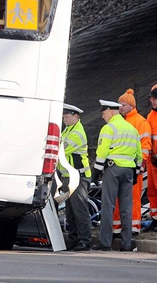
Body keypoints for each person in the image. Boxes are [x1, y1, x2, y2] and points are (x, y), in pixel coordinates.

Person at [91, 100, 142, 251]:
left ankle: (105, 242)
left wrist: (97, 171)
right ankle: (126, 244)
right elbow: (139, 154)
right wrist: (136, 171)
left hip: (113, 169)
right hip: (129, 171)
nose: (102, 116)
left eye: (104, 113)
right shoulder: (131, 129)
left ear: (112, 112)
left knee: (108, 205)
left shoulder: (109, 128)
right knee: (126, 208)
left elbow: (102, 151)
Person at [114, 89, 151, 235]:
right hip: (123, 167)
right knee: (119, 199)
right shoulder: (122, 121)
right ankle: (117, 227)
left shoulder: (140, 122)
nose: (120, 107)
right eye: (119, 105)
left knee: (134, 198)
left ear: (131, 106)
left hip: (134, 168)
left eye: (123, 105)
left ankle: (133, 227)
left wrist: (139, 166)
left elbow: (145, 146)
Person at [58, 103, 92, 251]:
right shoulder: (68, 130)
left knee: (79, 211)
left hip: (78, 178)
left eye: (67, 116)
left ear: (76, 116)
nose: (64, 119)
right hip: (69, 177)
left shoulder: (76, 133)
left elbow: (61, 151)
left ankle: (84, 240)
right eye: (64, 116)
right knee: (71, 211)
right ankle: (74, 240)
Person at [145, 84, 157, 232]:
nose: (153, 102)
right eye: (152, 99)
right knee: (152, 192)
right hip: (153, 160)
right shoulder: (150, 116)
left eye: (155, 99)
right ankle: (155, 219)